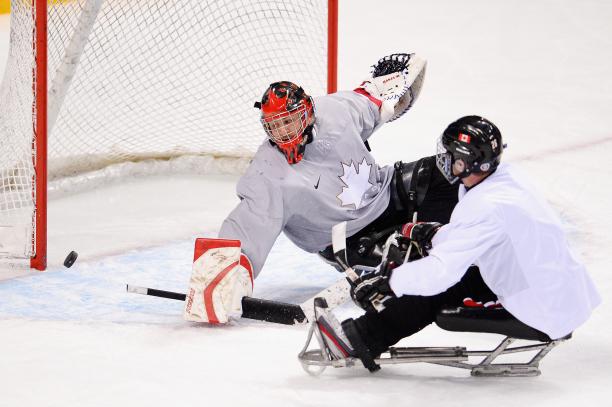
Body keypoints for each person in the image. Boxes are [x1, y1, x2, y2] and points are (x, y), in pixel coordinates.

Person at [182, 53, 460, 324]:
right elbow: (247, 228)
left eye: (289, 122)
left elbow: (374, 99)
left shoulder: (336, 110)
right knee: (421, 269)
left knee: (454, 170)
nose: (284, 133)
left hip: (387, 191)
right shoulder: (267, 175)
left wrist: (391, 89)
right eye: (275, 127)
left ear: (308, 112)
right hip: (349, 240)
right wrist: (223, 279)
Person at [316, 115, 601, 371]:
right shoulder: (508, 180)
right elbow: (484, 235)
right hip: (561, 292)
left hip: (542, 308)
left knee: (438, 290)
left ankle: (359, 339)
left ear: (464, 162)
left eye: (451, 154)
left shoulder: (482, 205)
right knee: (451, 272)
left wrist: (388, 283)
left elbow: (441, 273)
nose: (445, 159)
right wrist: (435, 235)